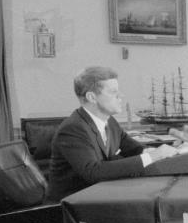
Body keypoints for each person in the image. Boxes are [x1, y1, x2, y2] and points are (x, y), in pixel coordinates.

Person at [47, 66, 181, 201]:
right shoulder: (73, 128)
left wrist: (168, 152)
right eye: (113, 92)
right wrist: (153, 156)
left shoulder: (109, 121)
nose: (120, 96)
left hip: (101, 197)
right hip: (71, 206)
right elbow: (93, 172)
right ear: (92, 97)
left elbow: (134, 149)